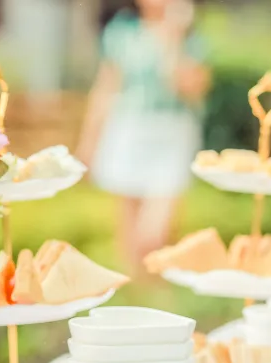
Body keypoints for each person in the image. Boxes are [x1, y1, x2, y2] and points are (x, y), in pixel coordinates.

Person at [77, 0, 210, 270]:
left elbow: (193, 88)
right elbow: (105, 89)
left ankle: (157, 288)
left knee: (153, 234)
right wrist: (88, 143)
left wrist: (172, 39)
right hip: (128, 128)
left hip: (172, 131)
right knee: (128, 231)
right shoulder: (122, 32)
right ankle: (140, 295)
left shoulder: (190, 37)